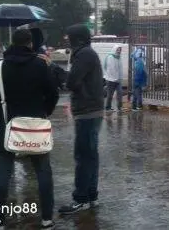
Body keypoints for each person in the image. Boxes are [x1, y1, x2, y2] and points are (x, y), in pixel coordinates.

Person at [0, 29, 59, 229]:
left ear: (11, 43)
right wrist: (44, 113)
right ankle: (47, 218)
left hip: (6, 127)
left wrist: (1, 119)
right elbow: (53, 94)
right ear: (30, 44)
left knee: (2, 175)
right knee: (43, 172)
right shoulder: (42, 66)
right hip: (36, 128)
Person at [58, 24, 104, 215]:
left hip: (86, 111)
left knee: (83, 156)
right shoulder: (87, 53)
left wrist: (55, 71)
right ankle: (91, 196)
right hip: (92, 110)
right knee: (91, 156)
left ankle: (81, 198)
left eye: (69, 37)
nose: (66, 40)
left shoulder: (83, 55)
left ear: (76, 39)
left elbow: (72, 82)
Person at [104, 45, 123, 112]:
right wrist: (115, 78)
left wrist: (120, 78)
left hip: (117, 80)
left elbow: (120, 68)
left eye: (120, 50)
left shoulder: (119, 57)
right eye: (118, 49)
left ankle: (119, 107)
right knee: (110, 95)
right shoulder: (110, 57)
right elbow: (111, 69)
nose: (119, 51)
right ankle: (108, 108)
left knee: (120, 93)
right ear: (115, 49)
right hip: (110, 80)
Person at [131, 47, 147, 111]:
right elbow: (141, 73)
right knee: (138, 94)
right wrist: (143, 83)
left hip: (136, 80)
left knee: (135, 93)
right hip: (138, 81)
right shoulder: (140, 61)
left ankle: (134, 106)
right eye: (142, 53)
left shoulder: (137, 60)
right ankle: (139, 106)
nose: (143, 54)